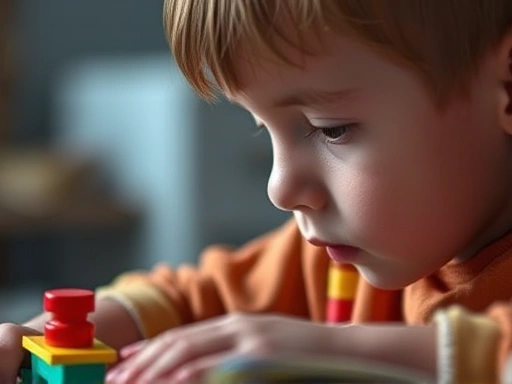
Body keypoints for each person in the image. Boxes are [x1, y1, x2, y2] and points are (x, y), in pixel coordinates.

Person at [3, 0, 512, 382]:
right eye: (261, 128)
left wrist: (340, 349)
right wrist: (59, 338)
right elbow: (189, 299)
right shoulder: (338, 260)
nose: (281, 188)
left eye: (330, 128)